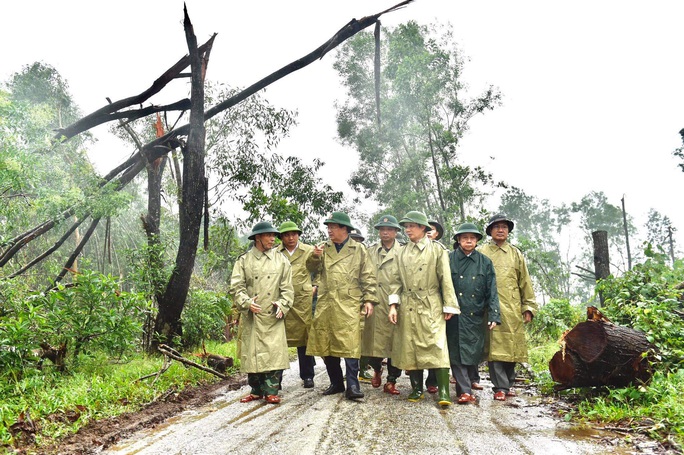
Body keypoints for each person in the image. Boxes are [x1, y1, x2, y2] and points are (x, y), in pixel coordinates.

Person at [388, 210, 460, 406]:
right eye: (406, 226)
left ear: (422, 228)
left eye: (411, 226)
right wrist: (393, 306)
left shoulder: (437, 250)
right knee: (410, 346)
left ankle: (443, 391)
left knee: (436, 345)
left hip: (431, 303)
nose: (407, 229)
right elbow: (395, 281)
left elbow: (446, 278)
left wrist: (449, 305)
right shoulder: (401, 251)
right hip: (408, 303)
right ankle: (416, 388)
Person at [306, 212, 378, 400]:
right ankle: (336, 382)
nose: (329, 230)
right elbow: (312, 269)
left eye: (333, 227)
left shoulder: (359, 249)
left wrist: (369, 300)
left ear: (345, 229)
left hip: (349, 302)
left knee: (350, 344)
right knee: (326, 343)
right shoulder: (323, 248)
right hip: (326, 303)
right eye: (328, 227)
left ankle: (353, 385)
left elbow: (368, 276)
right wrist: (314, 257)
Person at [230, 221, 294, 404]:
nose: (273, 239)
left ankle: (272, 390)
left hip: (273, 315)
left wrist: (282, 305)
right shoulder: (244, 261)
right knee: (252, 353)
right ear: (258, 237)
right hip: (253, 316)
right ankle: (256, 390)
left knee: (274, 353)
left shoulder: (281, 260)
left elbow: (288, 289)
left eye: (274, 236)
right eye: (269, 235)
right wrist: (247, 302)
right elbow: (236, 287)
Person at [479, 213, 538, 401]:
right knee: (495, 348)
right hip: (489, 308)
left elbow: (525, 282)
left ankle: (509, 384)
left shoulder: (515, 254)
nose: (501, 230)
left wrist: (528, 307)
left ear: (508, 231)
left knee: (512, 347)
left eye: (504, 227)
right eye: (496, 227)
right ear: (490, 231)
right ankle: (500, 387)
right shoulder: (482, 252)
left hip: (512, 308)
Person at [446, 222, 501, 404]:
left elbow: (492, 290)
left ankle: (470, 383)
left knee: (472, 351)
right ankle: (464, 391)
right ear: (459, 240)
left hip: (475, 314)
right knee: (456, 352)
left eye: (472, 238)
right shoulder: (449, 259)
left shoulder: (485, 262)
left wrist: (494, 314)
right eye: (464, 238)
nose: (468, 241)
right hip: (453, 314)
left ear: (477, 241)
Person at [361, 214, 403, 395]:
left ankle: (392, 380)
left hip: (395, 301)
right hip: (375, 302)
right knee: (373, 342)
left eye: (389, 229)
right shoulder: (370, 251)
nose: (385, 232)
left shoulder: (403, 251)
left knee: (395, 343)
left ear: (395, 232)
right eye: (382, 229)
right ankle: (377, 369)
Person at [277, 221, 317, 389]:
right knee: (278, 339)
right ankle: (276, 378)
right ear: (281, 237)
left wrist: (315, 286)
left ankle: (308, 375)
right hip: (282, 301)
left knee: (304, 338)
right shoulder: (275, 253)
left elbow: (319, 269)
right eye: (286, 235)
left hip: (303, 301)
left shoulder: (309, 250)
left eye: (294, 234)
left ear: (299, 235)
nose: (291, 237)